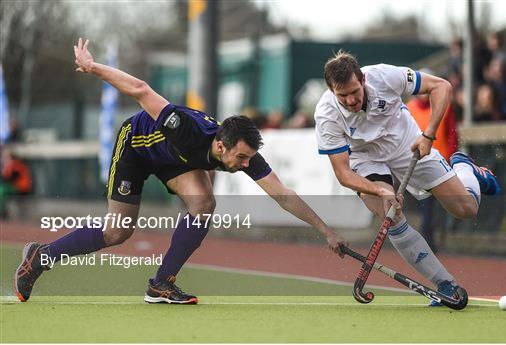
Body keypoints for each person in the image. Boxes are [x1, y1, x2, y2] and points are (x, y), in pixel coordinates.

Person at [14, 38, 347, 304]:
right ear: (221, 147)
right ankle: (40, 257)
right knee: (118, 232)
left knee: (204, 204)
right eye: (242, 158)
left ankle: (161, 283)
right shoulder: (184, 127)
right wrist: (93, 67)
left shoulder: (243, 151)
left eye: (249, 159)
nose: (246, 165)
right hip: (136, 147)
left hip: (173, 161)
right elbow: (141, 89)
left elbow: (283, 195)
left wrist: (326, 230)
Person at [314, 51, 500, 306]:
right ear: (330, 90)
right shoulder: (326, 115)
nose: (349, 100)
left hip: (406, 142)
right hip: (365, 158)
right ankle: (445, 284)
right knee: (390, 214)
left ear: (363, 80)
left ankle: (465, 168)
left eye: (354, 91)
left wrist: (429, 134)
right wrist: (380, 191)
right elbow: (344, 173)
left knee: (466, 209)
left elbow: (441, 87)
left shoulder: (384, 76)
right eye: (341, 95)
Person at [406, 71, 458, 251]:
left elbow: (452, 135)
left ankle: (434, 237)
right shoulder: (409, 107)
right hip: (415, 163)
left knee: (440, 205)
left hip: (440, 161)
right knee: (425, 206)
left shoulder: (443, 104)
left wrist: (451, 157)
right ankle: (427, 239)